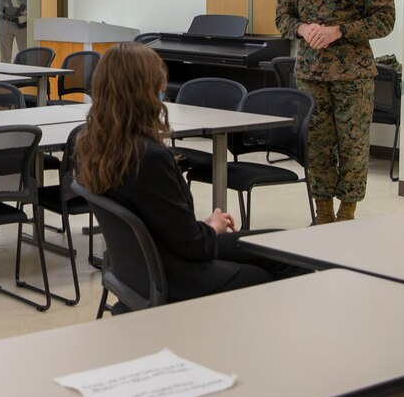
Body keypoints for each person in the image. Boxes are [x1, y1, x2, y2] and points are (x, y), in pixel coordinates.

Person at [75, 42, 301, 305]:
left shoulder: (94, 144)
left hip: (144, 271)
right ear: (144, 93)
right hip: (180, 277)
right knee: (288, 263)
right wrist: (212, 227)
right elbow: (195, 247)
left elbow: (170, 226)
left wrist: (203, 229)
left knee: (286, 244)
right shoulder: (148, 158)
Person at [275, 0, 395, 224]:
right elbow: (282, 16)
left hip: (352, 74)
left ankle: (348, 211)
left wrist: (339, 31)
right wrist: (302, 28)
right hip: (311, 74)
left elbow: (385, 19)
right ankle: (323, 211)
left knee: (353, 144)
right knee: (317, 144)